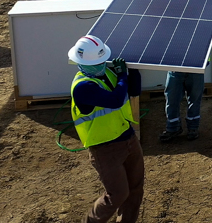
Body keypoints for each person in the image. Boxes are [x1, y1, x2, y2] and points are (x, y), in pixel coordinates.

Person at [67, 35, 144, 223]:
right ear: (81, 63)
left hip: (128, 137)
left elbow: (134, 91)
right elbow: (115, 100)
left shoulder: (108, 74)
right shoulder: (82, 87)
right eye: (98, 62)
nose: (101, 64)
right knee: (117, 194)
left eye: (102, 61)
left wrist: (133, 69)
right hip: (105, 148)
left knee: (135, 190)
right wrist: (122, 75)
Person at [159, 70, 204, 142]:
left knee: (195, 99)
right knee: (172, 98)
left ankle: (193, 128)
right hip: (175, 69)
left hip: (196, 70)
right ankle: (173, 127)